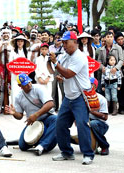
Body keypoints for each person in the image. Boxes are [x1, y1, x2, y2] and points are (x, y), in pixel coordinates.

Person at [50, 31, 94, 165]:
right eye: (62, 42)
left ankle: (88, 154)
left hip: (80, 97)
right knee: (60, 124)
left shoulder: (79, 56)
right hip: (68, 97)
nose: (63, 45)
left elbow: (68, 73)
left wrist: (56, 63)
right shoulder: (65, 56)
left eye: (66, 42)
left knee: (81, 124)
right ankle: (67, 152)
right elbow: (56, 70)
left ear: (75, 43)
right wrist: (54, 65)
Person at [5, 73, 57, 156]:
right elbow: (20, 116)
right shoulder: (18, 97)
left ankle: (42, 145)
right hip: (34, 122)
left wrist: (36, 115)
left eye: (29, 82)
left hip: (47, 117)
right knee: (22, 146)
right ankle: (48, 138)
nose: (29, 84)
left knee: (57, 119)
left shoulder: (38, 88)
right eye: (25, 84)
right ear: (20, 86)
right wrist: (14, 113)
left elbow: (50, 104)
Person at [89, 77, 109, 155]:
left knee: (93, 123)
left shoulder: (101, 99)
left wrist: (92, 111)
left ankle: (104, 146)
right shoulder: (82, 97)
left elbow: (105, 117)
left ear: (95, 87)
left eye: (91, 85)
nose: (88, 87)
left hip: (100, 124)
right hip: (87, 122)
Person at [9, 34, 30, 105]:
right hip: (15, 75)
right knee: (15, 90)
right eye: (18, 41)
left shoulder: (27, 52)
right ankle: (14, 107)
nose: (20, 43)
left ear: (24, 42)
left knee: (24, 91)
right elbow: (10, 63)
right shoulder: (13, 52)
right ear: (16, 42)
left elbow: (29, 64)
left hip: (24, 75)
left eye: (21, 41)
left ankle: (24, 107)